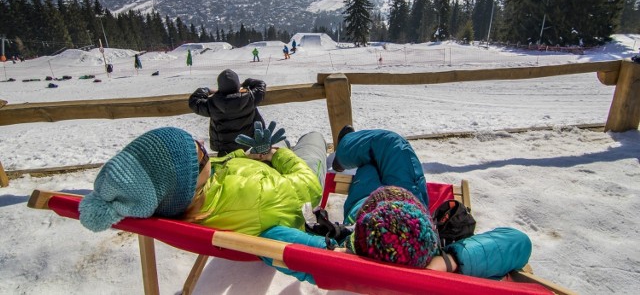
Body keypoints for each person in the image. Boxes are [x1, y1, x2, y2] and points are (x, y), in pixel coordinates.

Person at [260, 127, 532, 283]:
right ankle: (348, 148)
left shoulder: (346, 262)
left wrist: (339, 252)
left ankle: (345, 149)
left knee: (372, 159)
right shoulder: (433, 266)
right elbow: (518, 241)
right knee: (391, 147)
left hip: (364, 209)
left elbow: (268, 238)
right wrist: (448, 261)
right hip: (405, 206)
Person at [78, 124, 328, 237]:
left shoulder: (178, 196)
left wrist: (248, 155)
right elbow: (309, 188)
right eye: (199, 151)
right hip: (291, 185)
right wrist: (277, 155)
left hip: (263, 181)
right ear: (189, 179)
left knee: (278, 141)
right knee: (314, 137)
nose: (203, 148)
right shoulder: (255, 197)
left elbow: (220, 167)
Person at [189, 69, 266, 156]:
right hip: (247, 142)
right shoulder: (250, 98)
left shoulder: (212, 104)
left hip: (224, 148)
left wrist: (206, 90)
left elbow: (194, 101)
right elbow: (260, 85)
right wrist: (245, 83)